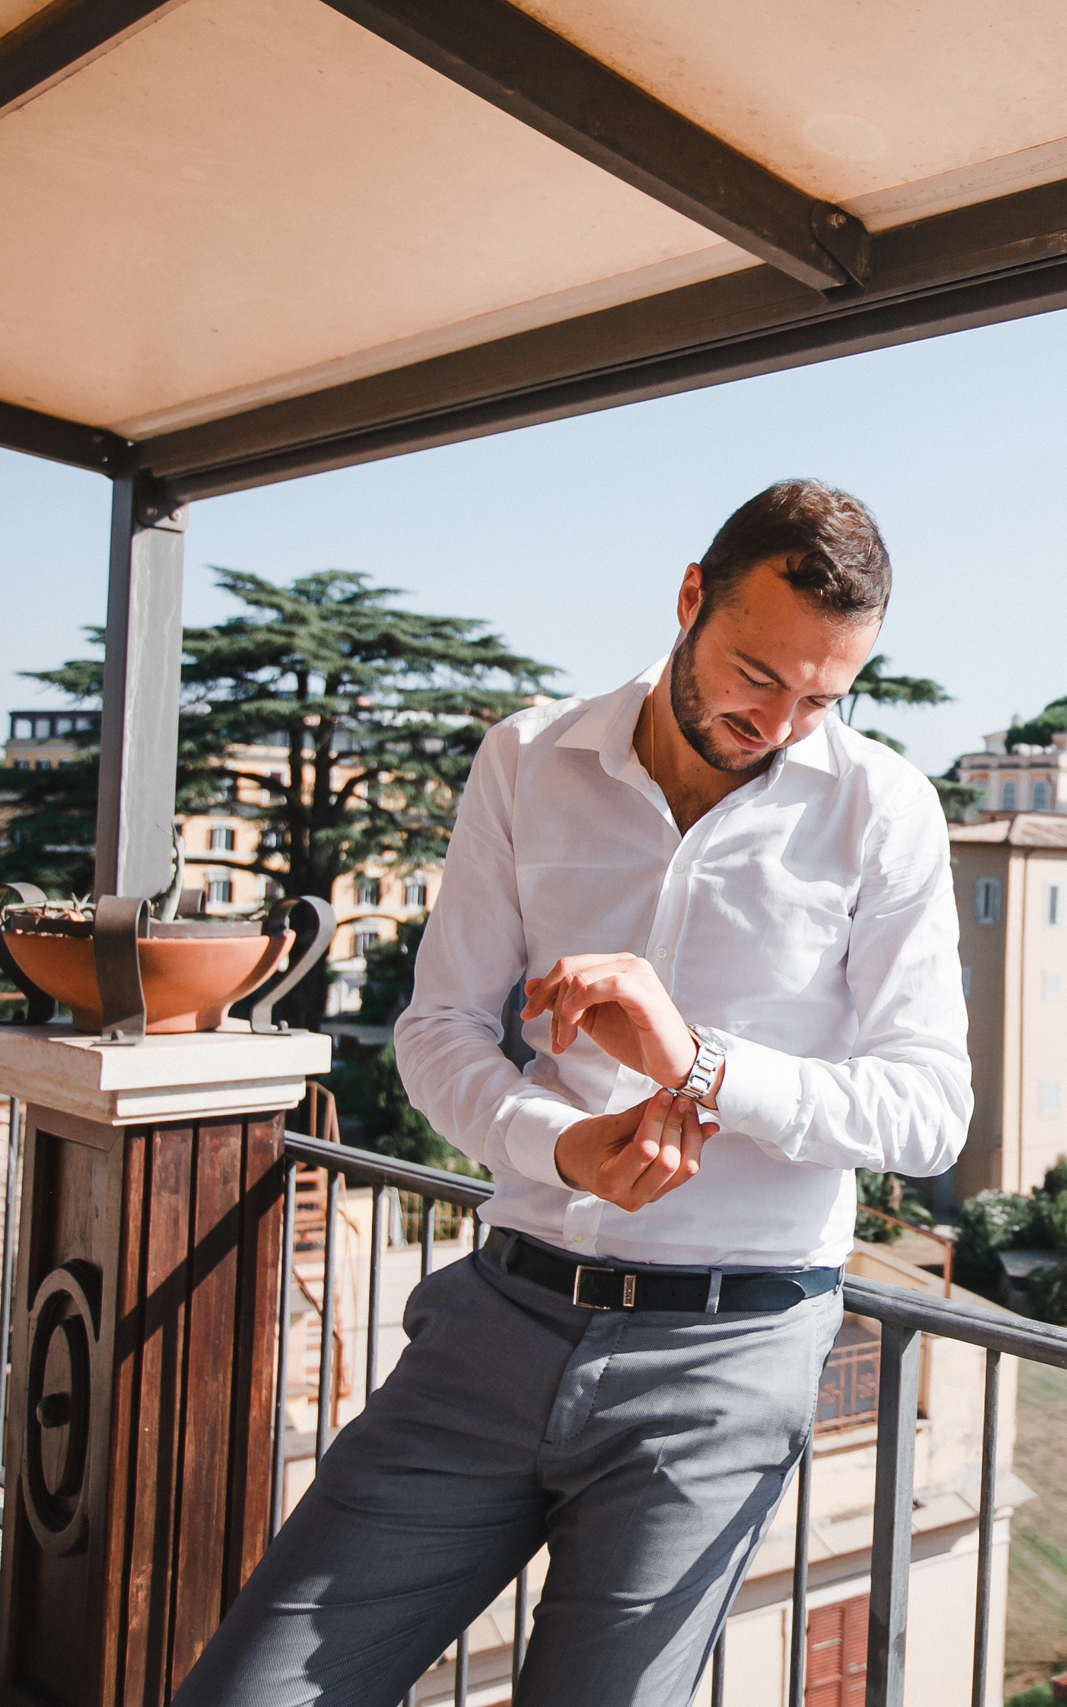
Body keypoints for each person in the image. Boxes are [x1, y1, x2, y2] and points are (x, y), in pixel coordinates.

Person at [177, 479, 971, 1706]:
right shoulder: (527, 758)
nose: (782, 722)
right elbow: (437, 1028)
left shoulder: (885, 810)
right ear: (690, 597)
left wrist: (694, 1058)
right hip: (497, 1320)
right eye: (759, 678)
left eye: (823, 696)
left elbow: (928, 1117)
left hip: (726, 1363)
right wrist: (560, 1148)